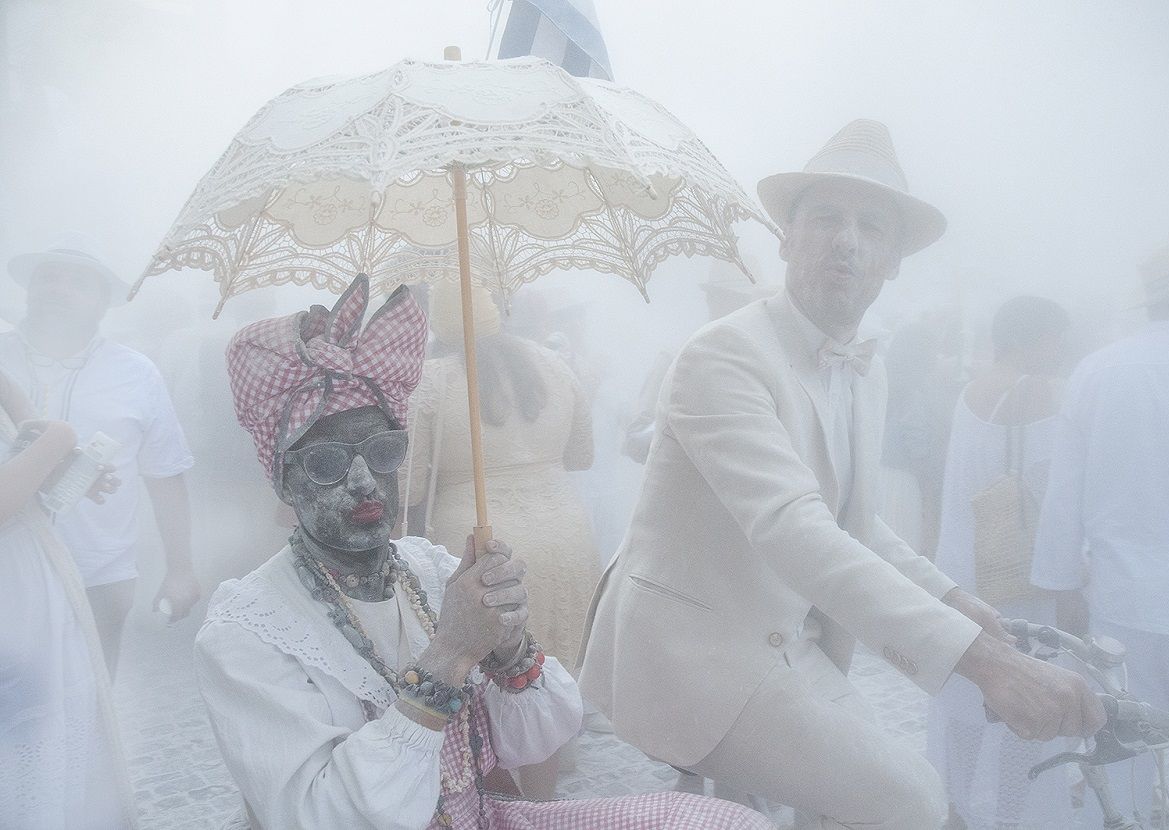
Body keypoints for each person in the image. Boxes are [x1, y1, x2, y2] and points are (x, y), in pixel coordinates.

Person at [578, 120, 1106, 830]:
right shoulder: (723, 355)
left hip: (784, 641)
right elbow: (793, 526)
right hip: (695, 654)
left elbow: (852, 518)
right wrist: (983, 661)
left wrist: (953, 597)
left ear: (892, 259)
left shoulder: (867, 367)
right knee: (910, 801)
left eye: (871, 225)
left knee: (864, 798)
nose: (848, 240)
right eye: (826, 217)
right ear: (786, 237)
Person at [195, 274, 774, 830]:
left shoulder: (429, 568)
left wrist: (509, 648)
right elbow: (324, 816)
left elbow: (539, 736)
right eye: (326, 462)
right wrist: (447, 658)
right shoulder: (249, 630)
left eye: (384, 450)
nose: (365, 480)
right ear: (283, 483)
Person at [1031, 231, 1169, 830]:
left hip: (1123, 613)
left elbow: (1062, 495)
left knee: (1121, 765)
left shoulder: (1097, 373)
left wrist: (1060, 588)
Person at [403, 280, 600, 798]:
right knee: (541, 672)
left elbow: (409, 484)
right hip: (566, 538)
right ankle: (544, 800)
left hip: (477, 545)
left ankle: (503, 804)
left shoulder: (428, 382)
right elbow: (583, 456)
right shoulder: (552, 365)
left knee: (494, 685)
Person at [1, 241, 199, 675]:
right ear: (30, 290)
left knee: (90, 707)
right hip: (5, 575)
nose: (58, 289)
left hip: (98, 574)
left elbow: (164, 474)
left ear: (103, 302)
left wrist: (180, 568)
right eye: (48, 278)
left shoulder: (136, 372)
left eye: (77, 282)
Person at [926, 296, 1073, 830]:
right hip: (1019, 577)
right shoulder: (1040, 392)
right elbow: (1054, 488)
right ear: (1035, 338)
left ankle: (957, 809)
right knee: (1024, 702)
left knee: (965, 702)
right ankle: (1011, 815)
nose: (1063, 350)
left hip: (965, 570)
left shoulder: (969, 391)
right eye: (1058, 337)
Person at [0, 369, 136, 828]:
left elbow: (25, 446)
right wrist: (59, 438)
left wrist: (66, 465)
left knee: (56, 747)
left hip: (35, 580)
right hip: (12, 598)